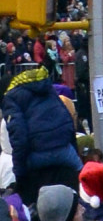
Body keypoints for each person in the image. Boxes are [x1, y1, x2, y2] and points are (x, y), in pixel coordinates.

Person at [5, 66, 83, 203]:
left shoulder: (10, 98)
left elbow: (19, 138)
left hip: (37, 156)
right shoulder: (48, 88)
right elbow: (67, 119)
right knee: (83, 188)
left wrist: (19, 174)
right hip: (65, 152)